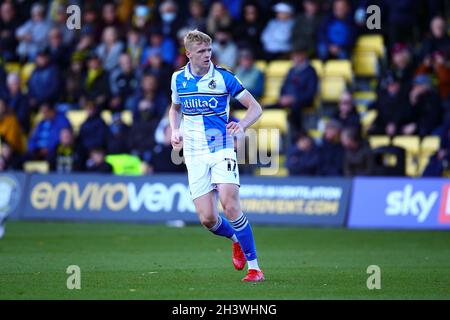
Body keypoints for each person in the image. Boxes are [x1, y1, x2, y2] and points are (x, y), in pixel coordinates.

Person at [169, 30, 264, 282]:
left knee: (230, 203)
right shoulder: (178, 79)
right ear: (188, 53)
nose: (206, 56)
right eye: (201, 52)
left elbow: (256, 108)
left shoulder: (224, 78)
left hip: (221, 146)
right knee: (208, 219)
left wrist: (241, 126)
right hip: (193, 152)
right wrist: (175, 129)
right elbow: (175, 108)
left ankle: (255, 268)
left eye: (209, 51)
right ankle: (235, 239)